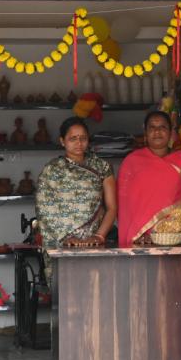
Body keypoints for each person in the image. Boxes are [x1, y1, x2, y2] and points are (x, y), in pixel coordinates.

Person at [36, 116, 117, 279]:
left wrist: (99, 236)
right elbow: (44, 210)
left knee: (97, 286)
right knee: (66, 288)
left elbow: (112, 207)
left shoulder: (102, 167)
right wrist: (65, 238)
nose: (79, 143)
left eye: (83, 138)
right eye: (73, 138)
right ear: (62, 141)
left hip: (94, 243)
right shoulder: (52, 170)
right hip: (61, 244)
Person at [117, 110, 181, 246]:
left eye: (162, 127)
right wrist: (138, 233)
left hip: (175, 235)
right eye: (152, 127)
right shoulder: (131, 162)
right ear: (145, 134)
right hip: (139, 238)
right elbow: (124, 204)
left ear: (171, 132)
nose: (157, 131)